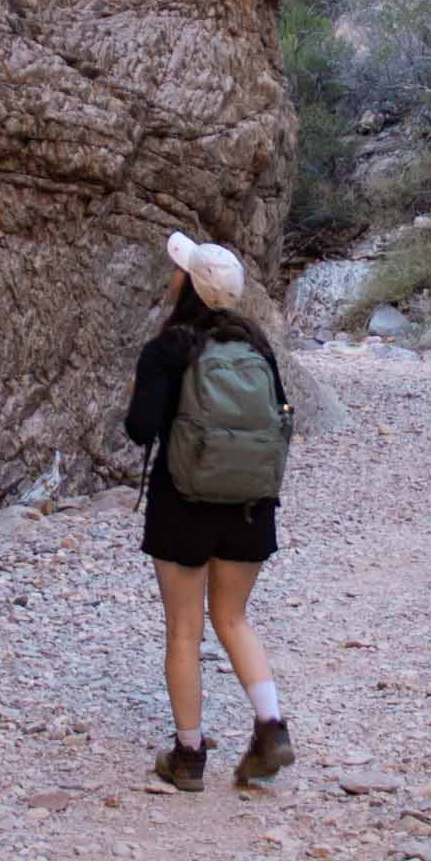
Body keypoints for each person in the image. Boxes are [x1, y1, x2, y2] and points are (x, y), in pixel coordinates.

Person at [123, 232, 294, 792]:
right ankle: (271, 727)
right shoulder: (257, 347)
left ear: (190, 286)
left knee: (184, 631)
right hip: (250, 503)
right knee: (233, 619)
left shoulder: (170, 347)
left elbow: (140, 429)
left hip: (184, 502)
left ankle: (189, 755)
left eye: (180, 271)